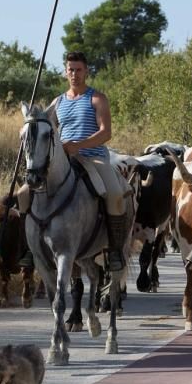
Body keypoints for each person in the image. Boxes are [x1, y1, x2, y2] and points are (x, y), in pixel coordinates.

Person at [50, 51, 129, 271]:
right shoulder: (57, 102)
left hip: (93, 158)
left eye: (78, 70)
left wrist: (79, 145)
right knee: (27, 191)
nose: (74, 74)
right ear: (65, 72)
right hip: (64, 160)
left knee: (115, 193)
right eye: (70, 70)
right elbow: (47, 129)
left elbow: (106, 133)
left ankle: (114, 249)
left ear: (86, 72)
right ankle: (29, 248)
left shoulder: (97, 98)